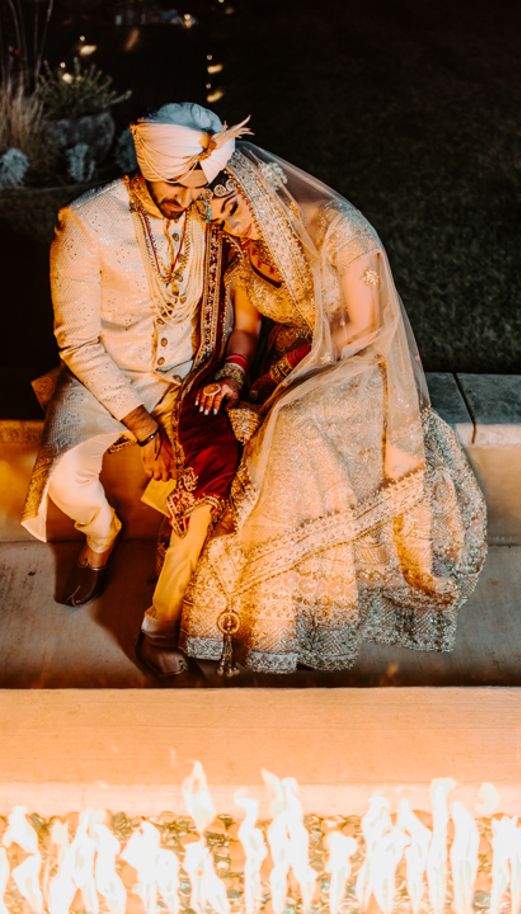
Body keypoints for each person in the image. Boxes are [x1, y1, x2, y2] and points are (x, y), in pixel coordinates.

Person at [178, 143, 487, 675]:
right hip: (290, 363)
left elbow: (366, 327)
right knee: (271, 426)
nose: (231, 231)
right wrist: (233, 372)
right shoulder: (246, 247)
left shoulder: (340, 228)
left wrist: (284, 376)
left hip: (358, 364)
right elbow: (248, 328)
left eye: (233, 211)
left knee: (296, 429)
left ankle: (318, 604)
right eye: (216, 220)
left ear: (260, 189)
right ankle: (275, 607)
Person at [21, 102, 250, 677]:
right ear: (146, 163)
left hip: (192, 375)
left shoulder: (210, 207)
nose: (184, 195)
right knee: (67, 475)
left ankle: (160, 622)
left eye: (196, 182)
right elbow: (76, 342)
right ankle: (101, 536)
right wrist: (144, 427)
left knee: (215, 482)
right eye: (172, 182)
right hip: (107, 378)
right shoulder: (87, 221)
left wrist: (229, 370)